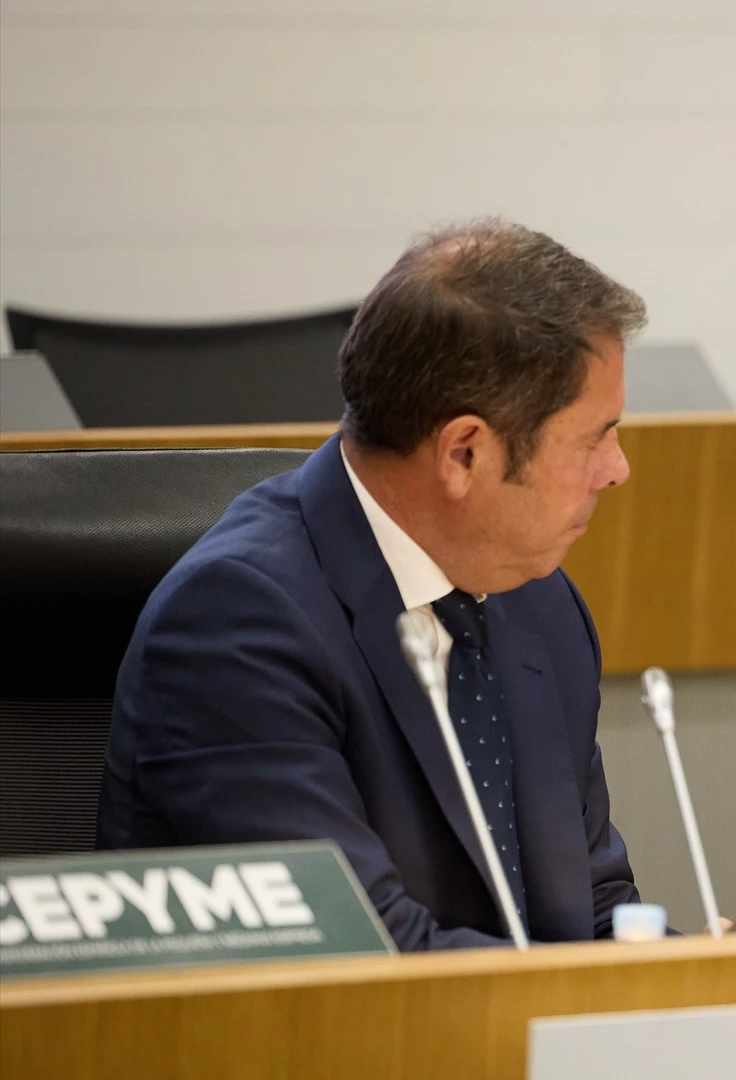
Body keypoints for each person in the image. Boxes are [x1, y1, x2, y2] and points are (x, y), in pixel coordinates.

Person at [99, 220, 650, 948]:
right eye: (595, 436)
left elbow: (596, 905)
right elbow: (361, 952)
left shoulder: (538, 601)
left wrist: (710, 980)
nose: (618, 469)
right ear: (463, 453)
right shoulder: (236, 626)